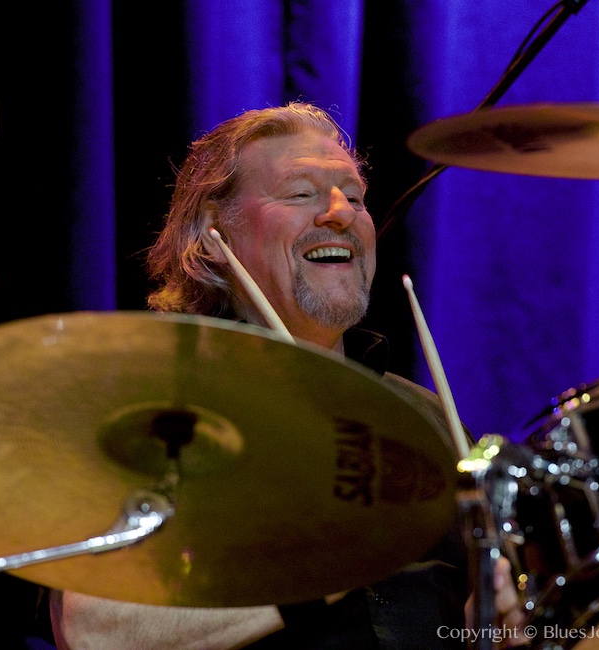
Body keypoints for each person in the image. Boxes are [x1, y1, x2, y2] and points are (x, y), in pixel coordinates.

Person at [49, 102, 523, 648]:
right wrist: (320, 570)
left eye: (357, 196)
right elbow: (95, 632)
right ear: (210, 236)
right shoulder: (156, 408)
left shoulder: (425, 417)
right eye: (301, 193)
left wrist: (494, 620)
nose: (340, 212)